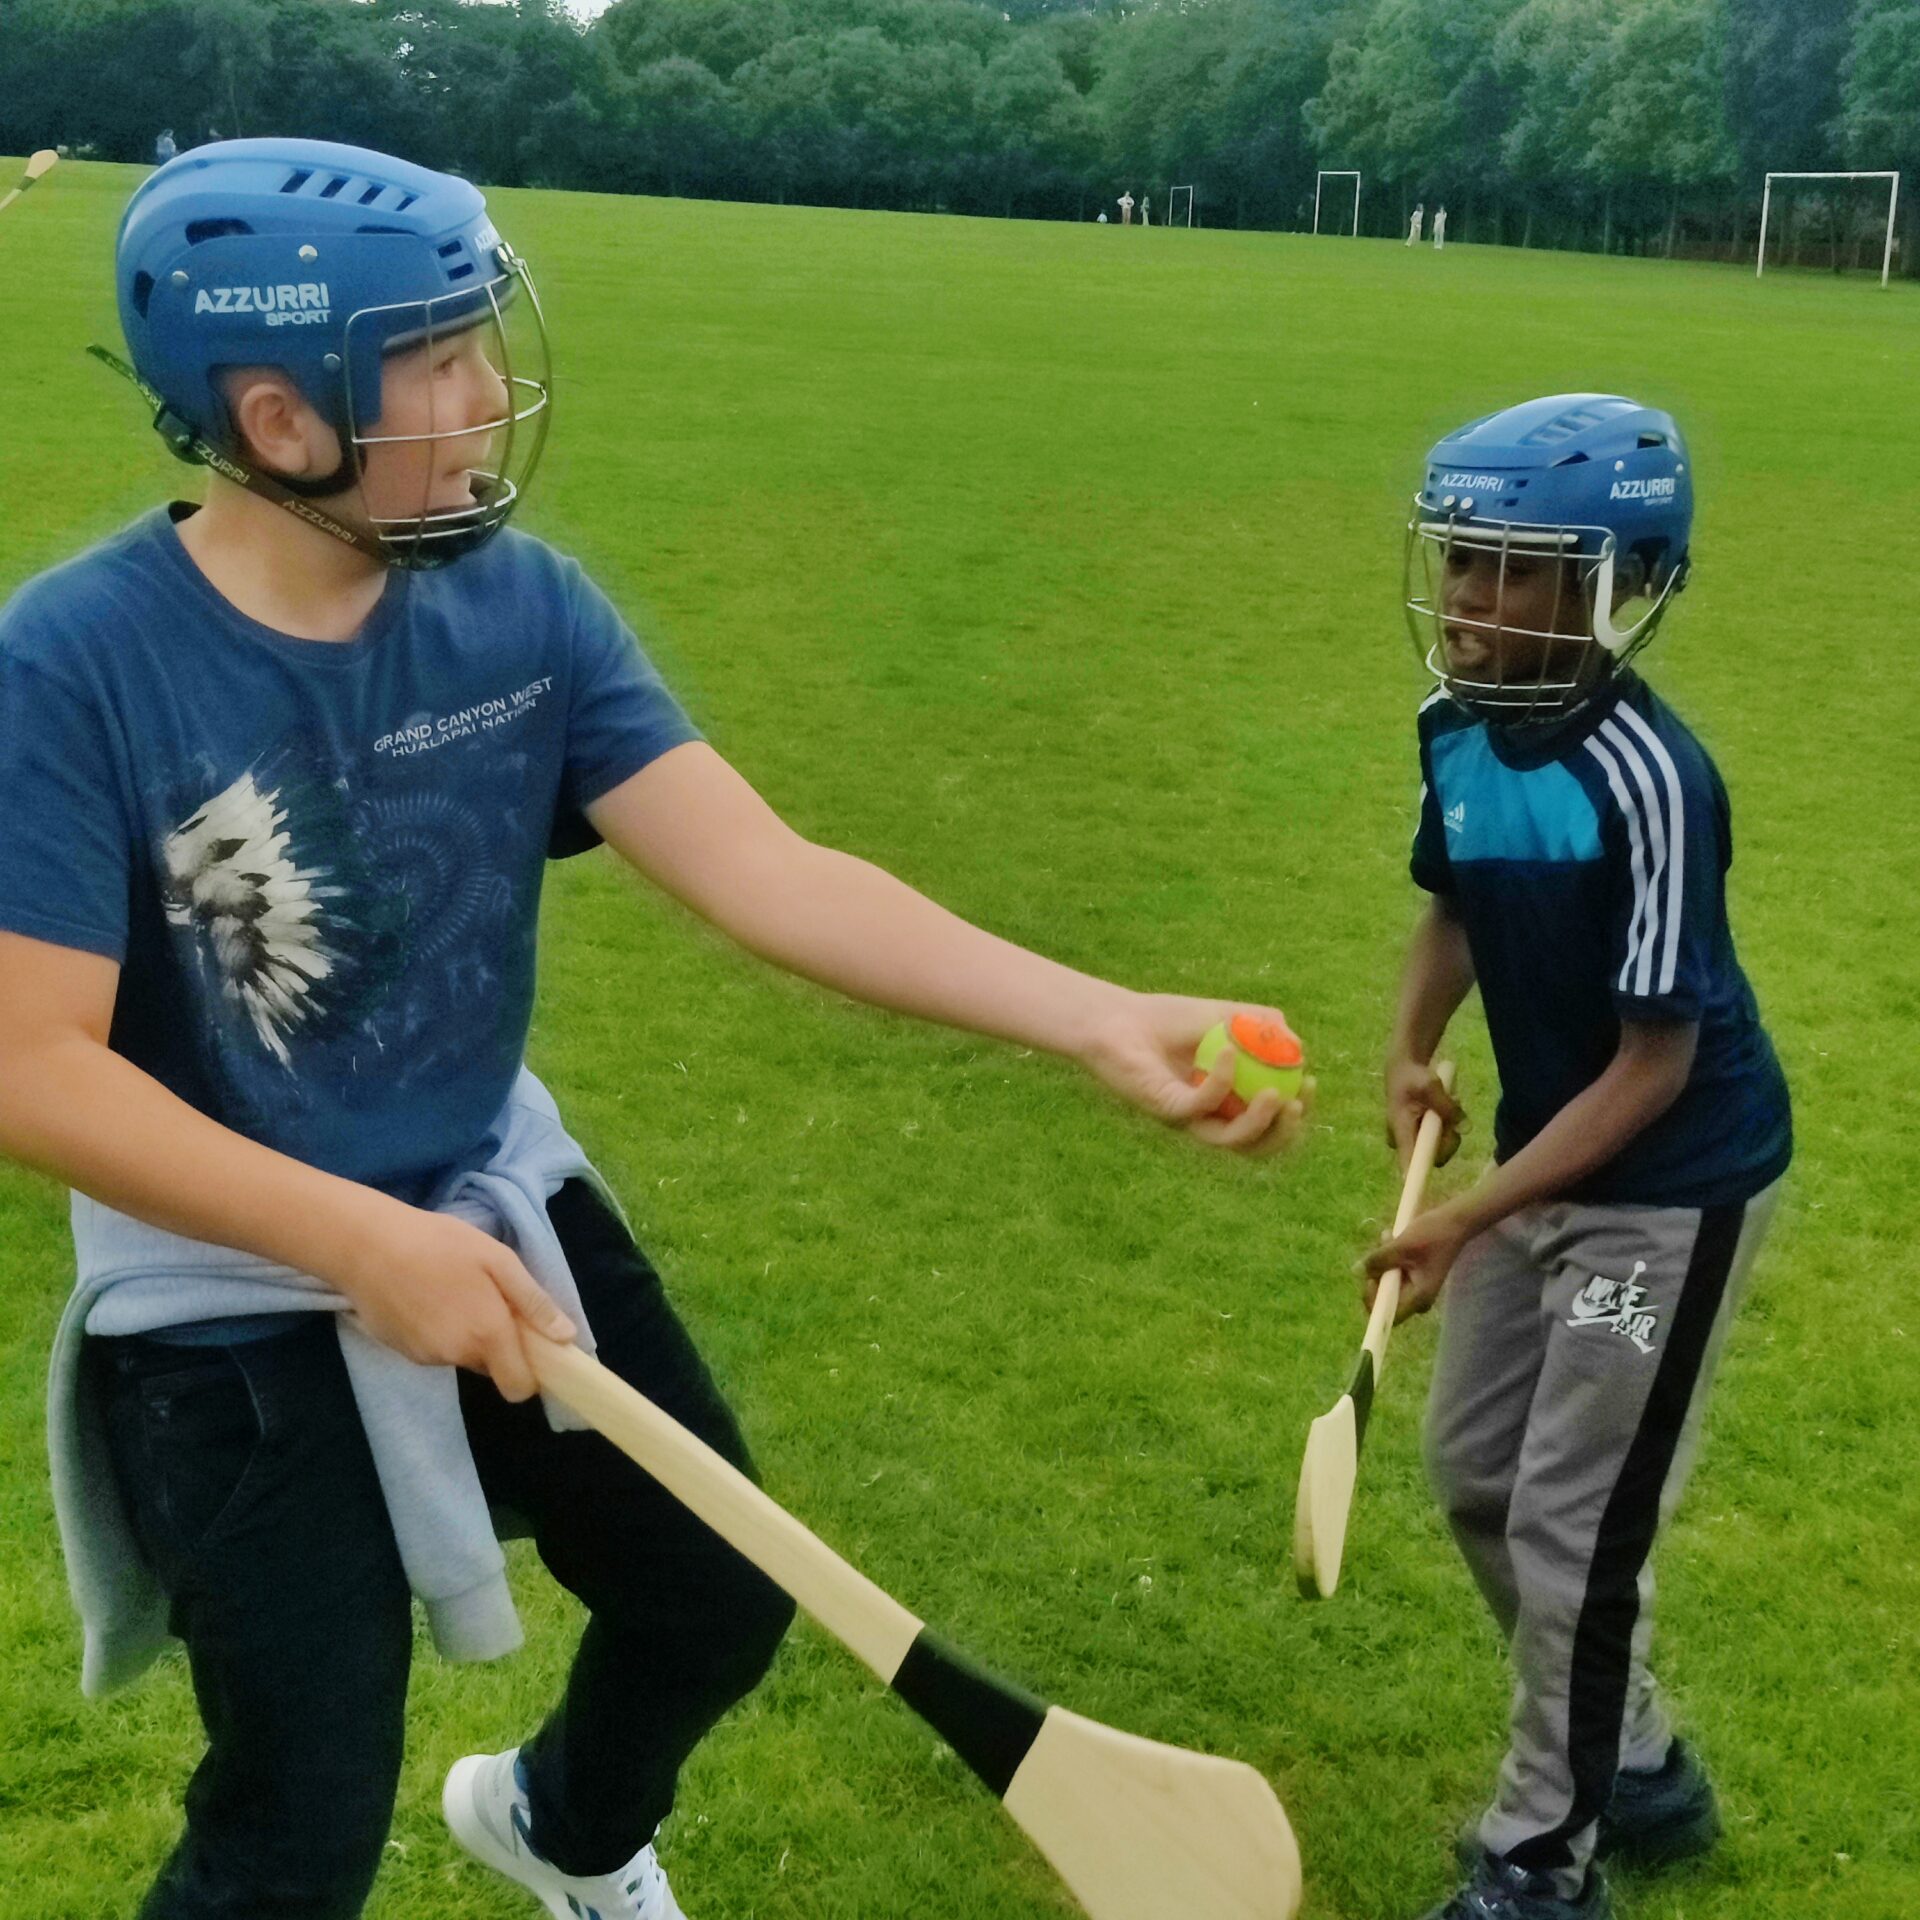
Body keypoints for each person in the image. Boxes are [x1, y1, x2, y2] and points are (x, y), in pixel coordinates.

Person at [0, 138, 1310, 1920]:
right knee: (299, 1813)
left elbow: (764, 867)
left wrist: (1092, 1017)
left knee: (711, 1596)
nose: (490, 395)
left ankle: (562, 1829)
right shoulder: (74, 663)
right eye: (439, 359)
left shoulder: (522, 608)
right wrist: (354, 1241)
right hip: (228, 1290)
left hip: (486, 1206)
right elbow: (31, 1062)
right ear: (281, 417)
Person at [1372, 393, 1791, 1920]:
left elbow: (1655, 1063)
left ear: (1616, 587)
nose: (1471, 602)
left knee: (1572, 1518)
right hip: (1545, 1182)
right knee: (1475, 1473)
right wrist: (1415, 1048)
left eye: (1514, 571)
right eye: (1460, 561)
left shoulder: (1653, 781)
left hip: (1658, 1209)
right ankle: (1645, 1763)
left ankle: (1546, 1858)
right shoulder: (1457, 731)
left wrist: (1462, 1215)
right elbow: (1454, 902)